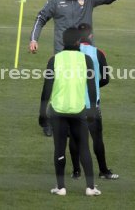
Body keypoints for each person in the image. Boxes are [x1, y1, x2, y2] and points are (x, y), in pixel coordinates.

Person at [39, 28, 101, 196]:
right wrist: (92, 109)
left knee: (59, 148)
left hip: (58, 111)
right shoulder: (86, 59)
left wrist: (42, 113)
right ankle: (90, 187)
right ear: (78, 42)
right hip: (78, 110)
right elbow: (91, 86)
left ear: (62, 42)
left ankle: (60, 188)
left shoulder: (55, 60)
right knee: (84, 148)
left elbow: (47, 88)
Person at [29, 0, 132, 54]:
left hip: (85, 50)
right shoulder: (55, 0)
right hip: (62, 50)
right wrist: (34, 40)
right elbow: (40, 19)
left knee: (87, 79)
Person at [69, 23, 119, 180]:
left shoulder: (70, 54)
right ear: (91, 36)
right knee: (97, 138)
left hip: (73, 103)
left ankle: (76, 171)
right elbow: (105, 79)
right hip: (92, 104)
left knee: (74, 137)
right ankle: (103, 171)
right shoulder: (98, 53)